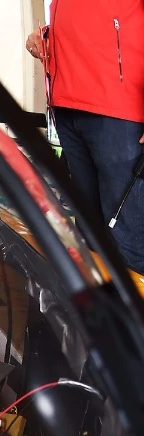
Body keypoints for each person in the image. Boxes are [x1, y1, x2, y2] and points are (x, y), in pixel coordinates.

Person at [26, 0, 144, 273]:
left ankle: (133, 314)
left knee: (126, 237)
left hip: (119, 111)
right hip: (69, 103)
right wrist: (48, 36)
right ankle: (101, 312)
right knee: (89, 234)